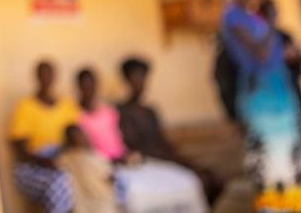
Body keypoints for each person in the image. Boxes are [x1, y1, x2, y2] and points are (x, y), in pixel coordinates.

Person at [220, 0, 301, 213]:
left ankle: (298, 207)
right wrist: (272, 21)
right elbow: (261, 53)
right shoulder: (234, 17)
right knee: (271, 158)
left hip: (279, 91)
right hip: (261, 95)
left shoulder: (253, 17)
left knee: (291, 156)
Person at [75, 67, 209, 213]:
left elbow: (122, 139)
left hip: (126, 159)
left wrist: (127, 156)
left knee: (187, 181)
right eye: (85, 85)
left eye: (92, 84)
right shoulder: (75, 114)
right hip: (101, 165)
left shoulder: (109, 111)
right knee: (135, 194)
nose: (89, 88)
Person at [117, 57, 223, 203]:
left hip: (166, 157)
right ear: (127, 79)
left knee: (215, 179)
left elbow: (163, 141)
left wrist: (185, 159)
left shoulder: (150, 111)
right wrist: (171, 159)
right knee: (201, 181)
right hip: (149, 162)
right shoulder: (122, 111)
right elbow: (133, 146)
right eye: (136, 76)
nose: (141, 82)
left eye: (143, 77)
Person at [9, 61, 79, 213]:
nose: (46, 78)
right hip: (33, 166)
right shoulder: (25, 106)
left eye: (50, 74)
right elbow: (21, 150)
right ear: (36, 77)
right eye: (43, 74)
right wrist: (48, 161)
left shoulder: (67, 106)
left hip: (63, 161)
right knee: (59, 183)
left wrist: (62, 158)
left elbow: (75, 139)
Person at [260, 0, 301, 160]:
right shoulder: (256, 39)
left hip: (292, 93)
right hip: (273, 100)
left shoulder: (283, 35)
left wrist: (298, 58)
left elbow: (298, 66)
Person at [55, 125, 118, 213]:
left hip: (83, 206)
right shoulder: (95, 157)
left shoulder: (63, 158)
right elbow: (110, 176)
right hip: (100, 203)